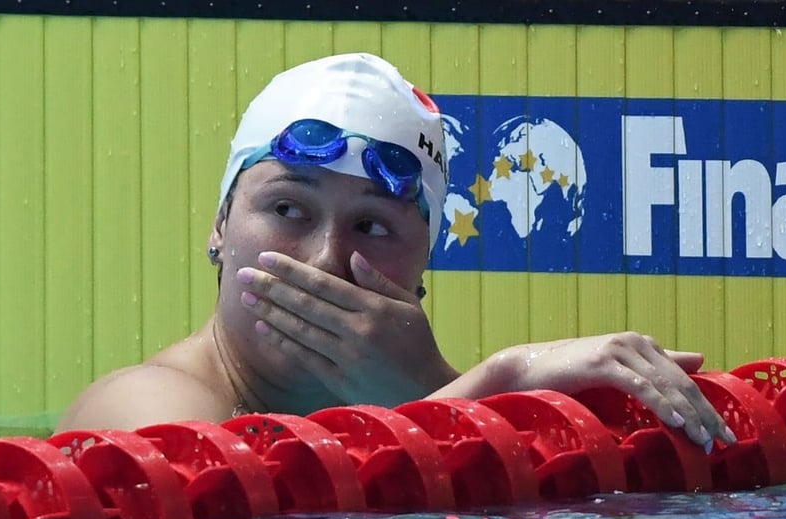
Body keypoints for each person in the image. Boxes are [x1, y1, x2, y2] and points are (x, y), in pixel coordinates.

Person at [57, 53, 736, 454]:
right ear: (219, 224)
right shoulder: (152, 405)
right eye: (288, 209)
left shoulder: (410, 409)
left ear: (421, 271)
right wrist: (492, 384)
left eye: (373, 227)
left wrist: (429, 389)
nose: (325, 258)